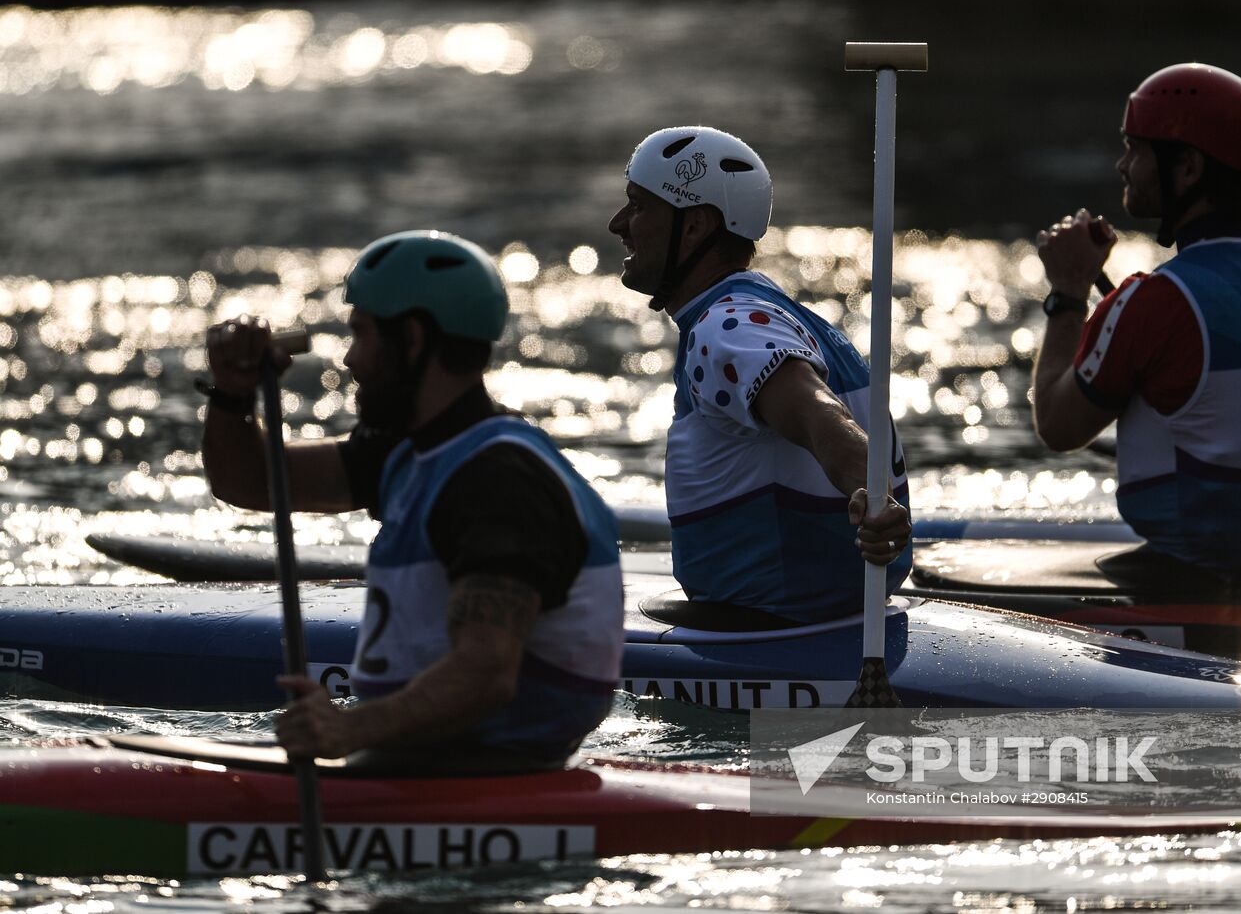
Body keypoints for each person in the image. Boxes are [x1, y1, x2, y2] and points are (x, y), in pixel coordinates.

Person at [199, 230, 623, 769]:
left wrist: (347, 728)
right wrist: (233, 394)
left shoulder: (494, 478)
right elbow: (252, 482)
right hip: (429, 760)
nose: (350, 359)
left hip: (487, 774)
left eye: (361, 334)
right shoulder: (412, 451)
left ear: (414, 338)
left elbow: (485, 674)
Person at [1031, 63, 1241, 573]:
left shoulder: (1154, 301)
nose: (1123, 165)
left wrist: (1066, 291)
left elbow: (1057, 427)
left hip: (1200, 563)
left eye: (1136, 148)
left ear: (1189, 167)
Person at [607, 126, 913, 623]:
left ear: (695, 227)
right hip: (842, 614)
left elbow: (816, 411)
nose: (618, 223)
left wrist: (869, 490)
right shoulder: (784, 316)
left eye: (639, 206)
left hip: (774, 626)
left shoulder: (725, 330)